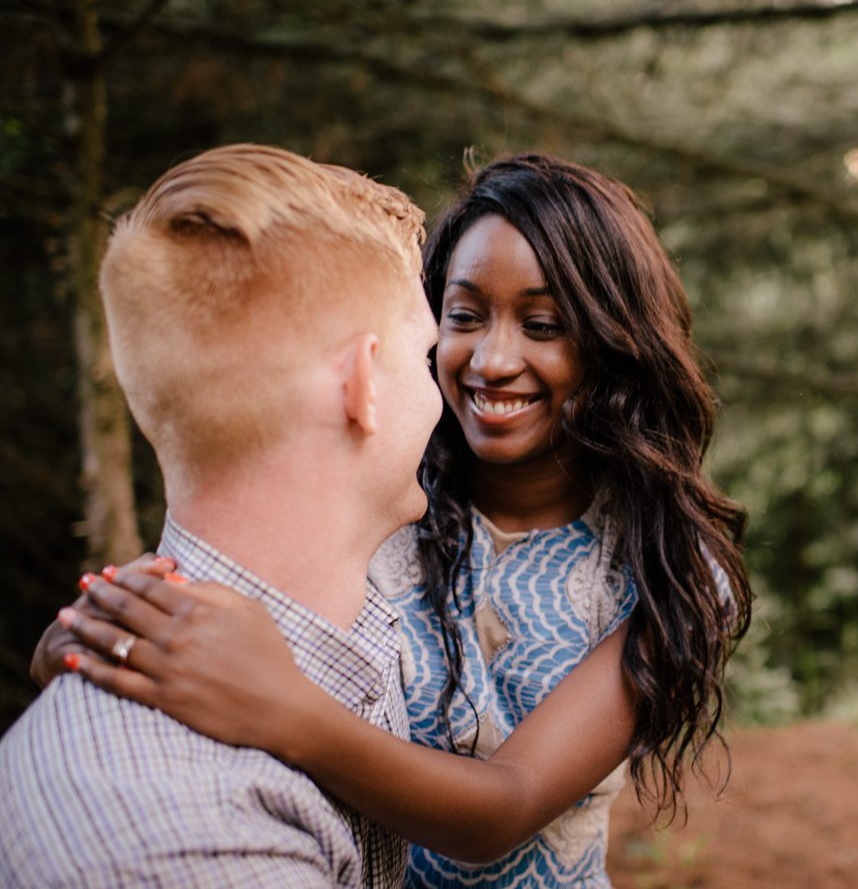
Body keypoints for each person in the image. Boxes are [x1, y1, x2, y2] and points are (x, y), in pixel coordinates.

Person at [39, 154, 752, 888]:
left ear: (615, 342)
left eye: (542, 324)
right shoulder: (386, 500)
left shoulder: (665, 570)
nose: (492, 359)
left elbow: (502, 807)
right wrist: (112, 636)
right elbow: (238, 596)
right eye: (464, 316)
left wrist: (286, 709)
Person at [3, 143, 443, 886]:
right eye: (425, 357)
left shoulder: (347, 630)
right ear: (362, 383)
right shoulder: (189, 833)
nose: (441, 399)